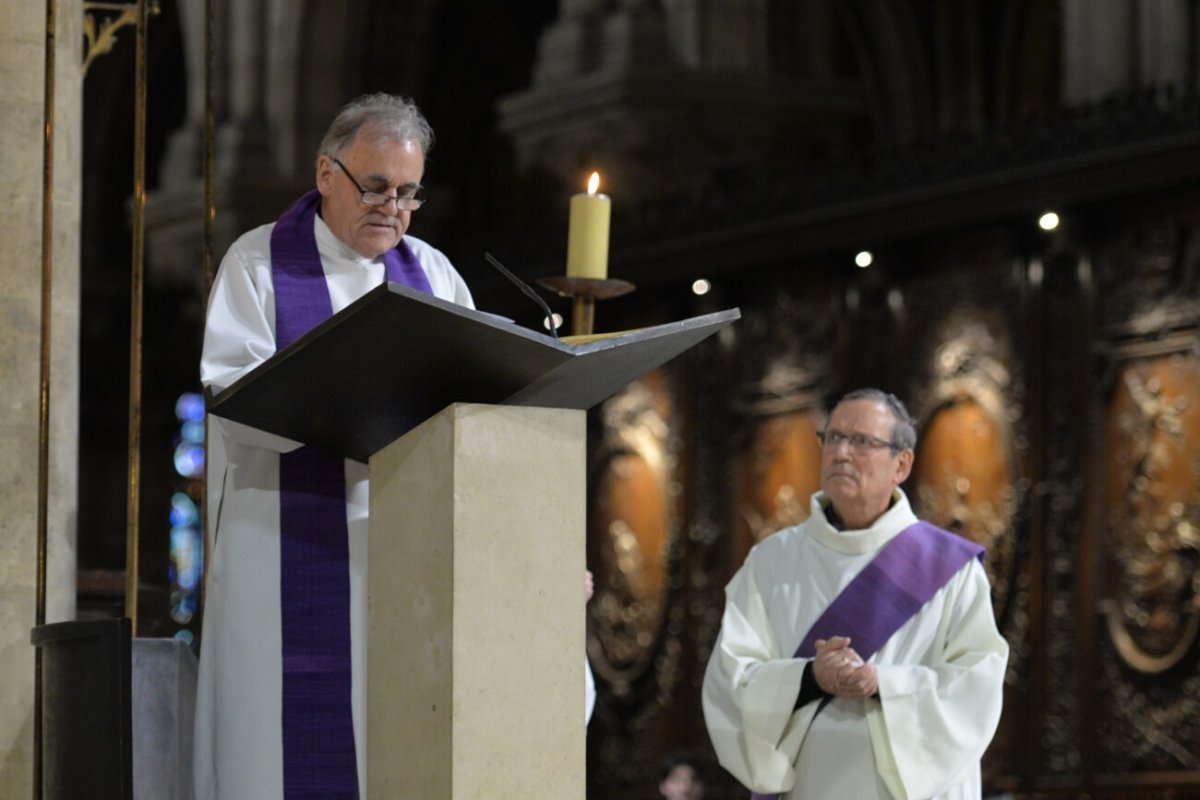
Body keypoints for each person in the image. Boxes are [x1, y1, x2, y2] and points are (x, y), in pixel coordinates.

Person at [195, 93, 473, 800]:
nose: (393, 208)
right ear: (327, 173)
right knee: (277, 752)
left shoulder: (434, 276)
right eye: (375, 186)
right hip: (285, 547)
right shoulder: (259, 264)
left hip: (404, 558)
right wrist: (351, 400)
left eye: (409, 194)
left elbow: (474, 406)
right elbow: (234, 399)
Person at [702, 388, 1008, 800]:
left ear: (902, 464)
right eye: (833, 438)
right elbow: (730, 682)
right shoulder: (771, 562)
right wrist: (810, 677)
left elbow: (976, 688)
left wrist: (882, 683)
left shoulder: (950, 568)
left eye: (862, 441)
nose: (841, 453)